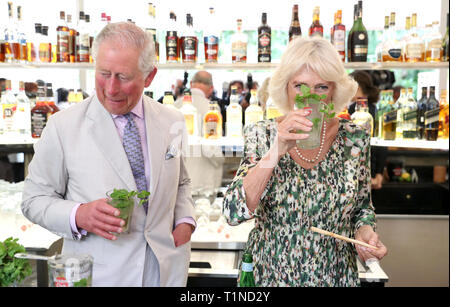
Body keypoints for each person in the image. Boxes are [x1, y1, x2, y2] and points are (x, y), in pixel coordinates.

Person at [21, 22, 196, 287]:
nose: (111, 88)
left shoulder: (172, 120)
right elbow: (33, 200)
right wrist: (78, 215)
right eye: (103, 73)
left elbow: (181, 183)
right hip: (100, 277)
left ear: (149, 76)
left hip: (164, 272)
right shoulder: (62, 126)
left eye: (123, 77)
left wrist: (185, 220)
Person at [222, 37, 387, 287]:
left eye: (321, 87)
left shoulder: (355, 137)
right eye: (300, 85)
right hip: (271, 276)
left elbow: (362, 208)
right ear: (286, 88)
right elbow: (233, 212)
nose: (309, 97)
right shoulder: (262, 134)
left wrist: (364, 233)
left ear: (334, 91)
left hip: (336, 276)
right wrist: (277, 148)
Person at [348, 70, 388, 190]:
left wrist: (375, 174)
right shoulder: (374, 108)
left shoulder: (356, 110)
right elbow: (381, 143)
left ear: (357, 86)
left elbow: (371, 144)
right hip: (368, 171)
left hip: (364, 170)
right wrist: (379, 172)